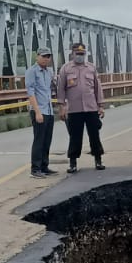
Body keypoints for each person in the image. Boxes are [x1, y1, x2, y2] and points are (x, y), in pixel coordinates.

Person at [57, 40, 105, 174]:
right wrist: (61, 107)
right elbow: (61, 89)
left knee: (94, 135)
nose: (80, 55)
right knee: (75, 136)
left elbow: (97, 88)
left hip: (91, 108)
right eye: (77, 53)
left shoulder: (91, 68)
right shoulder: (66, 69)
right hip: (74, 109)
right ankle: (72, 163)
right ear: (72, 53)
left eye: (82, 53)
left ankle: (98, 160)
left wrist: (100, 106)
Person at [25, 46, 57, 177]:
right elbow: (30, 93)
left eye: (48, 56)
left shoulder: (49, 72)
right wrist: (37, 112)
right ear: (37, 56)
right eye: (43, 56)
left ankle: (44, 166)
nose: (46, 59)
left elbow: (50, 90)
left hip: (48, 110)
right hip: (39, 110)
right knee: (39, 140)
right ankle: (35, 168)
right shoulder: (32, 71)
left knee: (47, 140)